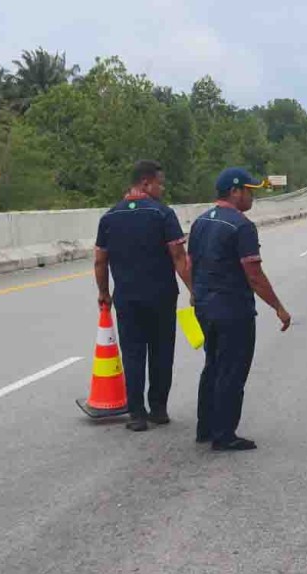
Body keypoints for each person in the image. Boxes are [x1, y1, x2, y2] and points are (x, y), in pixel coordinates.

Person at [188, 167, 292, 451]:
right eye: (249, 190)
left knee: (212, 366)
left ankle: (205, 427)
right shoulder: (241, 226)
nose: (252, 196)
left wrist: (196, 294)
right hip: (233, 310)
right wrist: (278, 308)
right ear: (235, 191)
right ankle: (224, 434)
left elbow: (190, 264)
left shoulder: (200, 222)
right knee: (232, 371)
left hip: (205, 307)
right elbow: (254, 275)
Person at [94, 160, 192, 432]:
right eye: (160, 184)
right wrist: (195, 291)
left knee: (133, 354)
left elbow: (100, 261)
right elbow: (178, 257)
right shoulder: (163, 214)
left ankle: (137, 414)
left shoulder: (110, 217)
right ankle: (158, 409)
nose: (162, 189)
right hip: (161, 297)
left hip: (127, 298)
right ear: (146, 183)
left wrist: (104, 293)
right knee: (161, 352)